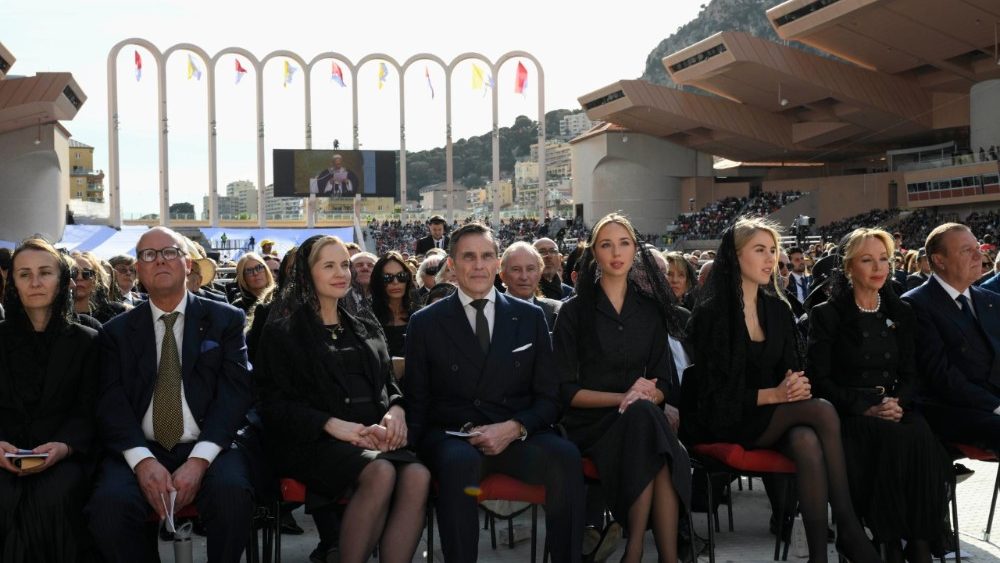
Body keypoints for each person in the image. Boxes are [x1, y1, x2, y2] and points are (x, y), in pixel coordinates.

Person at [685, 217, 880, 563]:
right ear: (735, 255)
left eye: (773, 250)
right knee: (820, 410)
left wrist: (795, 385)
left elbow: (793, 371)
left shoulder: (778, 308)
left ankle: (819, 555)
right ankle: (849, 527)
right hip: (725, 418)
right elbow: (712, 396)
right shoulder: (710, 315)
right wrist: (774, 395)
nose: (770, 259)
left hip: (773, 417)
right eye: (759, 250)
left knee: (806, 438)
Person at [403, 222, 584, 563]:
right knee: (459, 464)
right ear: (452, 266)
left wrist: (515, 427)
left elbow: (549, 398)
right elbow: (417, 400)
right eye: (468, 257)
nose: (479, 265)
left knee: (565, 456)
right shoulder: (425, 323)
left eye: (486, 256)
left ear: (496, 261)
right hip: (455, 438)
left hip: (515, 434)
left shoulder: (530, 318)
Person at [86, 227, 255, 563]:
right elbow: (110, 401)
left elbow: (235, 394)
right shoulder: (115, 332)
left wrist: (200, 459)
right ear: (138, 270)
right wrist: (142, 461)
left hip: (209, 444)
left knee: (233, 494)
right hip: (140, 447)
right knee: (108, 507)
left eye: (169, 252)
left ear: (187, 264)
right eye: (148, 254)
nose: (159, 259)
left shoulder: (225, 320)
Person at [256, 235, 429, 563]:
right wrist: (334, 426)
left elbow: (388, 382)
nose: (342, 273)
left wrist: (396, 410)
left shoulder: (364, 323)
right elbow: (272, 405)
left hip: (372, 435)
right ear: (308, 273)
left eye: (345, 265)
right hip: (314, 441)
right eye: (329, 265)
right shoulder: (283, 331)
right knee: (382, 473)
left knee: (418, 476)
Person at [554, 214, 691, 563]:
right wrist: (627, 398)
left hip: (640, 420)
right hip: (590, 423)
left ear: (635, 251)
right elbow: (567, 391)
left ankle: (638, 552)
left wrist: (644, 397)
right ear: (594, 254)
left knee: (645, 422)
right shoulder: (573, 312)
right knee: (654, 434)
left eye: (624, 243)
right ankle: (661, 555)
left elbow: (663, 382)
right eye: (606, 244)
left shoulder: (650, 311)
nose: (616, 252)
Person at [808, 228, 949, 563]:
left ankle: (918, 541)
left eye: (884, 259)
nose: (878, 267)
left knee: (919, 433)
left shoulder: (901, 312)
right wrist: (864, 407)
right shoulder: (827, 314)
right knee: (891, 438)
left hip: (895, 406)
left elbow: (913, 374)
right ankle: (889, 542)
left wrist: (898, 402)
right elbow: (819, 380)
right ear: (848, 267)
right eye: (867, 260)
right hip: (851, 412)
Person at [0, 238, 100, 562]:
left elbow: (90, 410)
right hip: (3, 453)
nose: (35, 282)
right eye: (24, 274)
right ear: (13, 283)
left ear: (62, 281)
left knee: (55, 497)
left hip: (65, 456)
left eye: (45, 272)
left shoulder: (87, 341)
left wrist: (64, 447)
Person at [903, 223, 1000, 453]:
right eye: (967, 250)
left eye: (978, 248)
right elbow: (942, 376)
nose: (980, 255)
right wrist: (995, 405)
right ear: (939, 260)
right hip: (951, 407)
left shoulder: (991, 300)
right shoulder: (915, 304)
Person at [498, 241, 562, 331]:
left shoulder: (557, 311)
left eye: (530, 269)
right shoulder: (488, 312)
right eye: (516, 269)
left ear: (540, 273)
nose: (524, 277)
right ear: (502, 275)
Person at [370, 252, 417, 358]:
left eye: (401, 276)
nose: (395, 282)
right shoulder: (367, 317)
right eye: (387, 277)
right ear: (378, 281)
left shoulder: (420, 314)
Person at [70, 251, 127, 324]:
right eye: (74, 272)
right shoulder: (53, 316)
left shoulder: (115, 313)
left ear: (96, 279)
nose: (79, 277)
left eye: (87, 273)